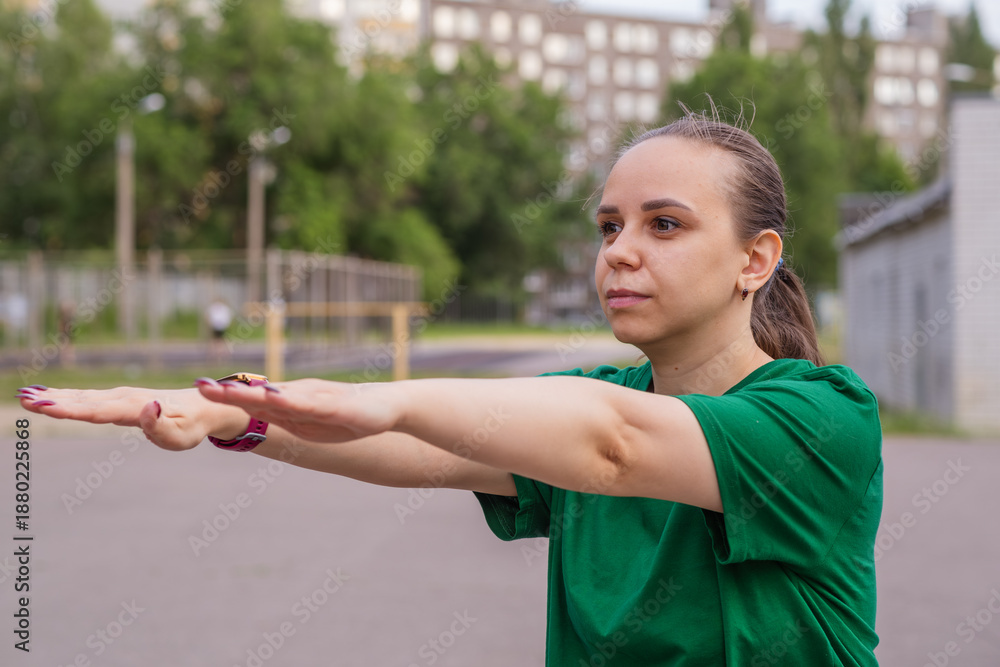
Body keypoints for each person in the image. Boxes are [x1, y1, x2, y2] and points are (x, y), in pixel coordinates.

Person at [18, 111, 882, 665]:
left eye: (664, 224)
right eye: (609, 225)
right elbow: (420, 445)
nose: (619, 251)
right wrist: (231, 413)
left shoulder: (818, 420)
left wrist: (391, 395)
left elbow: (615, 446)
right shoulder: (588, 400)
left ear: (755, 259)